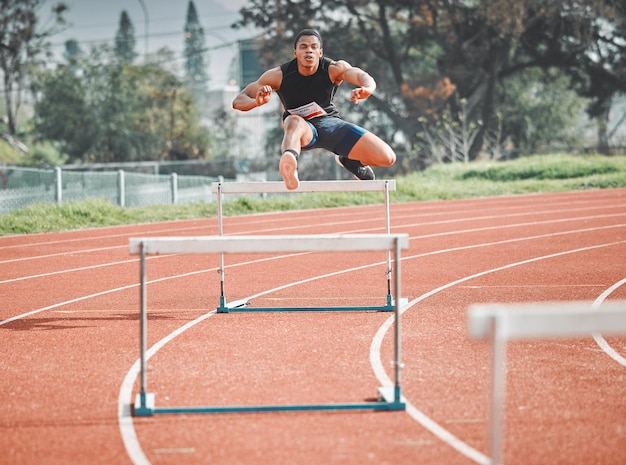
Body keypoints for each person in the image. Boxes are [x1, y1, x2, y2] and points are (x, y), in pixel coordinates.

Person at [232, 28, 396, 190]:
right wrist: (256, 103)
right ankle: (290, 163)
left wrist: (368, 87)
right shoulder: (278, 75)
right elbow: (239, 100)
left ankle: (351, 161)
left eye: (313, 47)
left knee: (387, 158)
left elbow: (359, 74)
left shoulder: (333, 68)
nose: (309, 50)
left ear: (320, 52)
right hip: (302, 130)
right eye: (303, 47)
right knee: (293, 121)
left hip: (331, 126)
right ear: (295, 52)